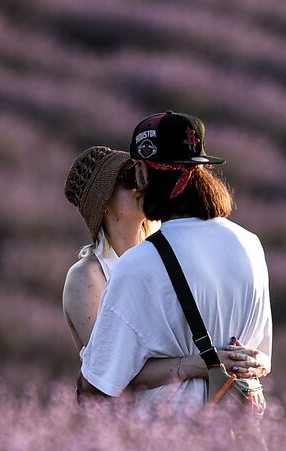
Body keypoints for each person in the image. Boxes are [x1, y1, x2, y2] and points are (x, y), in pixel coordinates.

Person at [78, 112, 272, 413]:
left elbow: (99, 385)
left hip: (169, 439)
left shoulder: (141, 263)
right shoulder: (250, 244)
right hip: (240, 440)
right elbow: (260, 358)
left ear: (143, 174)